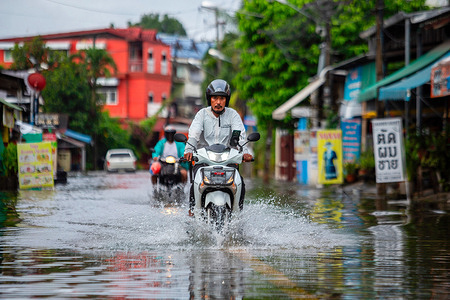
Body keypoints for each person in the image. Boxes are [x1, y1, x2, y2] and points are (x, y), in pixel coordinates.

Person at [183, 79, 253, 213]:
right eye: (215, 98)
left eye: (222, 98)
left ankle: (238, 215)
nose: (218, 102)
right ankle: (192, 212)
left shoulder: (233, 115)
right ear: (210, 99)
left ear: (226, 100)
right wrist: (189, 150)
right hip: (203, 159)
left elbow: (241, 136)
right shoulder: (202, 114)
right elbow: (194, 133)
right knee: (195, 184)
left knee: (240, 183)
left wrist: (245, 152)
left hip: (228, 159)